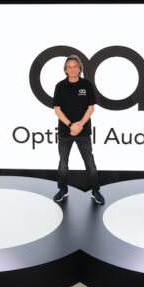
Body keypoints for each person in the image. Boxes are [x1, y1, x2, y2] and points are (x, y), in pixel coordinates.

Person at [52, 55, 104, 205]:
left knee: (90, 163)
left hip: (84, 131)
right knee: (63, 164)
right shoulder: (60, 86)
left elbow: (91, 107)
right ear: (65, 70)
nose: (72, 69)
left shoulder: (87, 85)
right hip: (65, 132)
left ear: (80, 68)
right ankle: (63, 189)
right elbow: (57, 109)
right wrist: (71, 125)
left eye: (75, 66)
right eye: (69, 67)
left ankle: (96, 191)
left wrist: (79, 125)